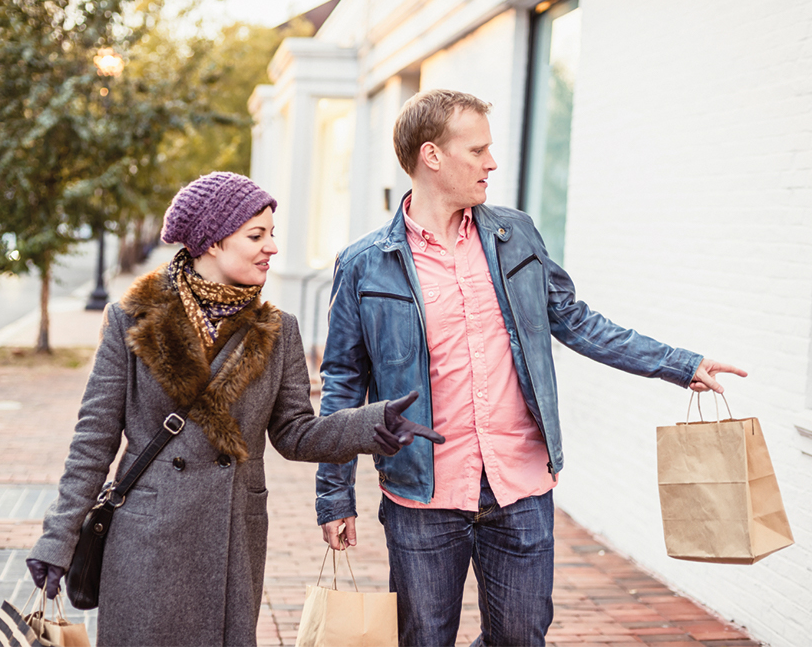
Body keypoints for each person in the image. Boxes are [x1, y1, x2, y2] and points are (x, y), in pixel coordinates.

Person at [314, 90, 747, 647]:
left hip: (519, 487)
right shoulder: (365, 263)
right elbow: (343, 383)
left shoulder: (513, 233)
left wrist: (679, 364)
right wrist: (335, 495)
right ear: (432, 156)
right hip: (421, 495)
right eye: (478, 150)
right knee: (423, 638)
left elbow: (577, 321)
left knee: (521, 638)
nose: (492, 163)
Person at [25, 172, 444, 647]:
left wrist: (370, 424)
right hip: (146, 542)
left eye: (271, 234)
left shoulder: (278, 330)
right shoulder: (132, 320)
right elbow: (93, 441)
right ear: (212, 242)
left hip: (230, 541)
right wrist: (57, 540)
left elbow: (295, 433)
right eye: (256, 235)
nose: (272, 248)